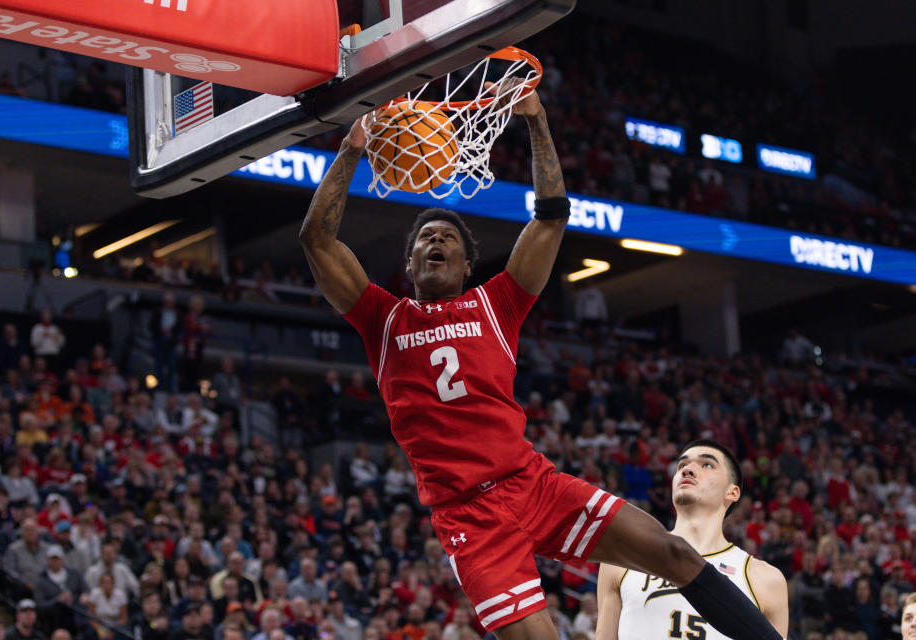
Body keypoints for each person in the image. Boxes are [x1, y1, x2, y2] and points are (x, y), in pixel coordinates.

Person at [299, 86, 783, 640]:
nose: (435, 241)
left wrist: (535, 120)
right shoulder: (382, 318)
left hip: (533, 484)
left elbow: (552, 216)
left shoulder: (497, 303)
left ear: (465, 264)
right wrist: (352, 148)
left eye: (448, 238)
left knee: (674, 552)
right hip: (468, 517)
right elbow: (316, 238)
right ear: (409, 263)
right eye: (425, 238)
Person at [595, 440, 788, 640]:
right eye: (681, 465)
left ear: (732, 492)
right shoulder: (623, 559)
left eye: (707, 465)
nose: (688, 470)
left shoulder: (764, 579)